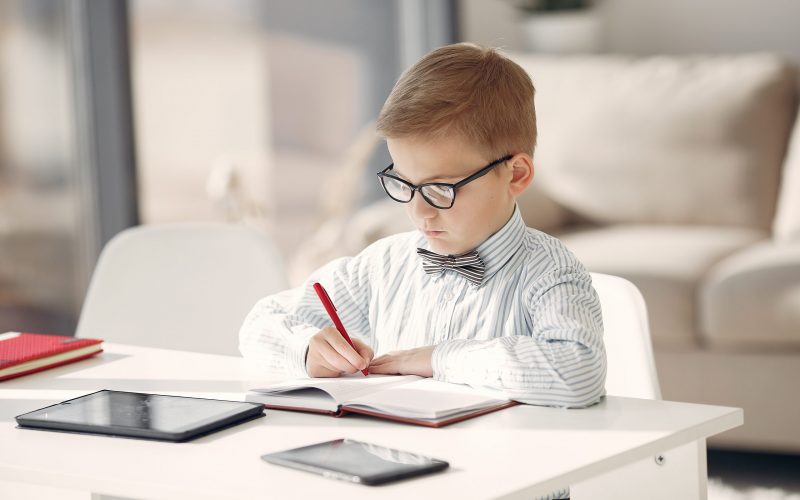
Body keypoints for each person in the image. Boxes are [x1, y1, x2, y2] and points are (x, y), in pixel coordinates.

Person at [239, 42, 606, 409]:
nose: (419, 212)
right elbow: (259, 325)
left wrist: (438, 359)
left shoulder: (548, 271)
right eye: (405, 184)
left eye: (439, 189)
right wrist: (307, 349)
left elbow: (579, 371)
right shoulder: (382, 266)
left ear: (517, 175)